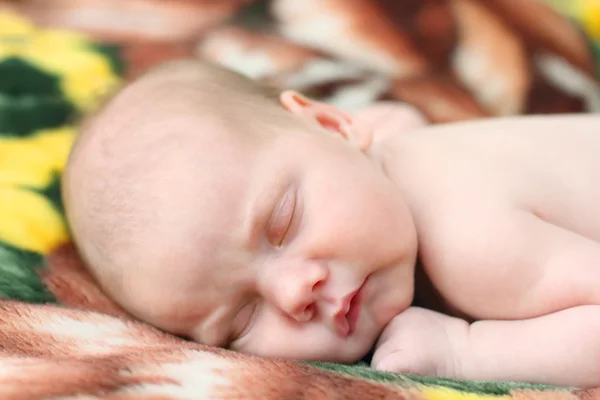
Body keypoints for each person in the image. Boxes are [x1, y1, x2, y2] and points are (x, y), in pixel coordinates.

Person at [62, 59, 600, 388]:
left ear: (332, 122)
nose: (295, 291)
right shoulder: (373, 149)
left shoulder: (474, 245)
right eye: (241, 322)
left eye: (283, 223)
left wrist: (470, 352)